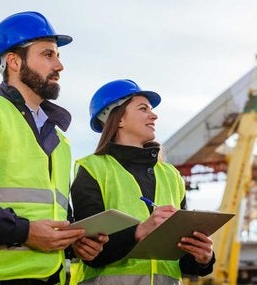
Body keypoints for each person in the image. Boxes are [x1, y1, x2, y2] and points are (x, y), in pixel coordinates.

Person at [0, 11, 108, 285]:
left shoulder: (60, 141)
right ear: (14, 61)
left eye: (58, 56)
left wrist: (75, 241)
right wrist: (24, 232)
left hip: (51, 278)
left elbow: (52, 213)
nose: (59, 66)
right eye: (48, 54)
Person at [69, 79, 216, 284]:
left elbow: (181, 259)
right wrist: (139, 231)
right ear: (118, 118)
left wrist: (203, 258)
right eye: (143, 108)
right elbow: (91, 251)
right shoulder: (92, 169)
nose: (154, 115)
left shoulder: (171, 175)